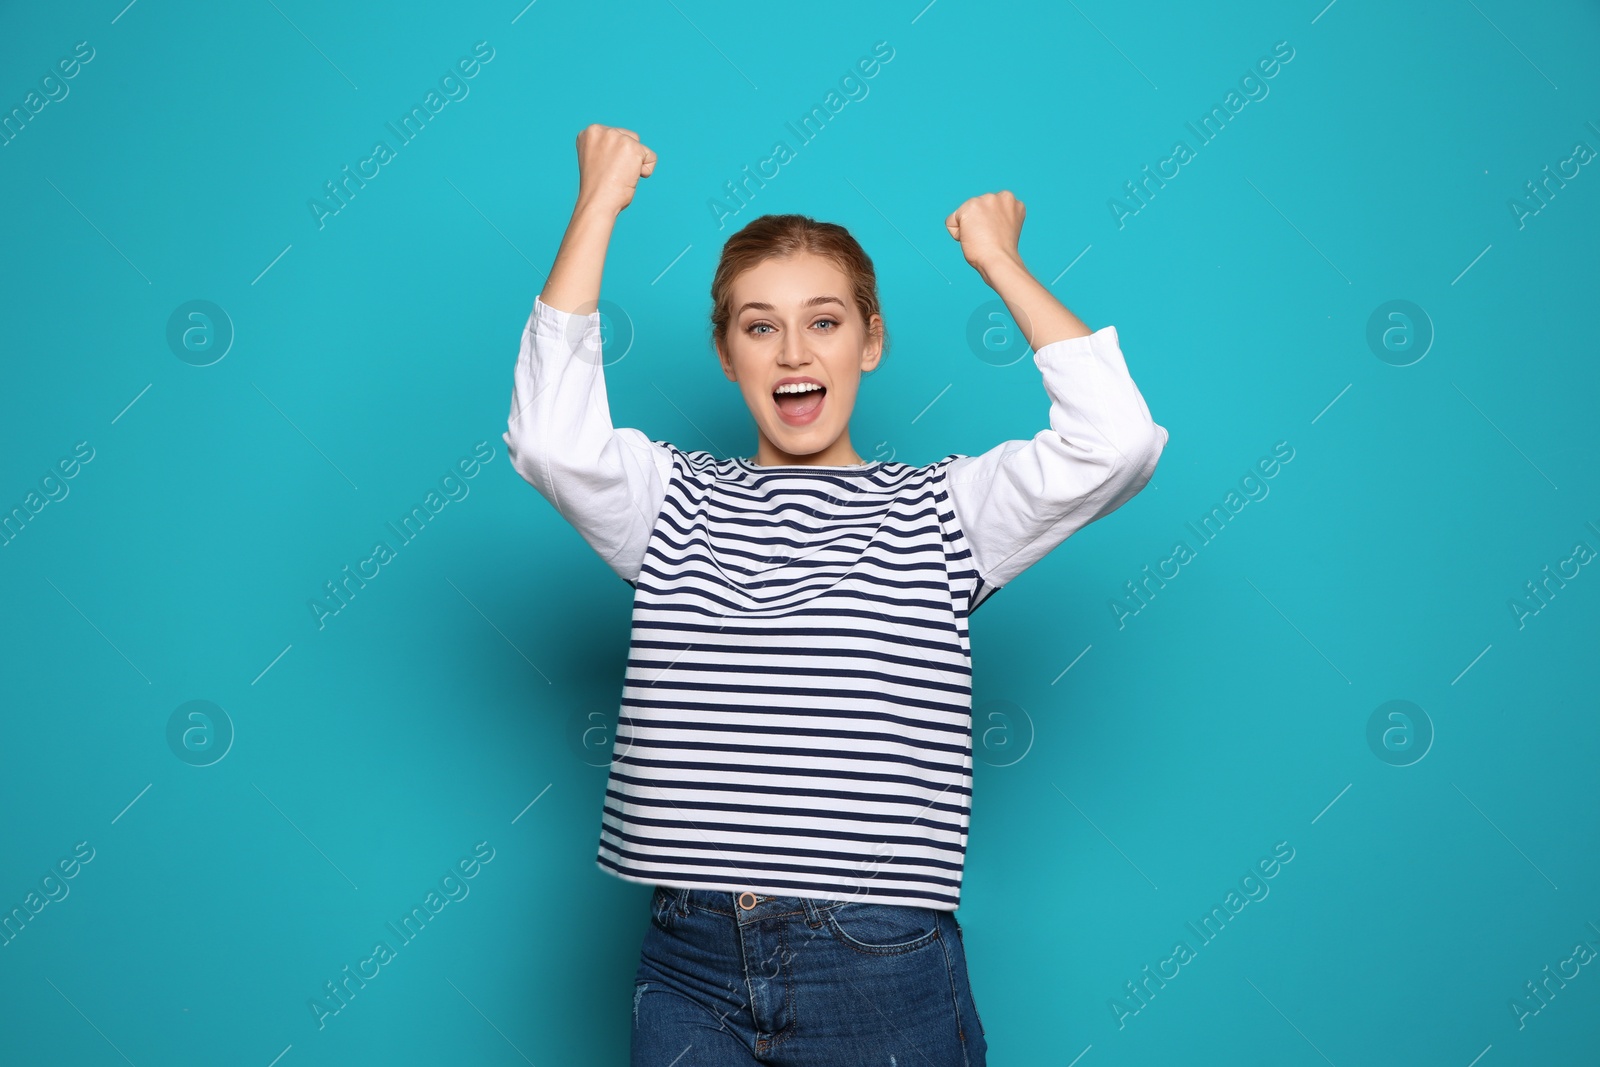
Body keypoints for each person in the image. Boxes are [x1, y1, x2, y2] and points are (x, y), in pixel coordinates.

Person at [504, 124, 1169, 1066]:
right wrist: (597, 206)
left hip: (877, 956)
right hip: (689, 952)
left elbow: (1119, 444)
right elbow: (550, 441)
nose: (791, 351)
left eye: (823, 320)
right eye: (759, 325)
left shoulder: (943, 509)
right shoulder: (670, 499)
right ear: (727, 353)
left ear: (871, 340)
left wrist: (1000, 262)